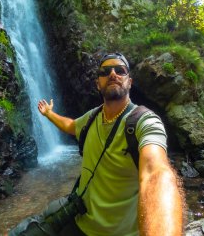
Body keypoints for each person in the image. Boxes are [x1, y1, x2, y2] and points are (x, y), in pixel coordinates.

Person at [11, 53, 184, 236]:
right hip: (79, 216)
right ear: (97, 84)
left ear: (130, 81)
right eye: (105, 71)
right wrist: (48, 114)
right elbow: (70, 126)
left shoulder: (145, 121)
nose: (112, 74)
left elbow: (155, 174)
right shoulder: (93, 116)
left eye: (120, 70)